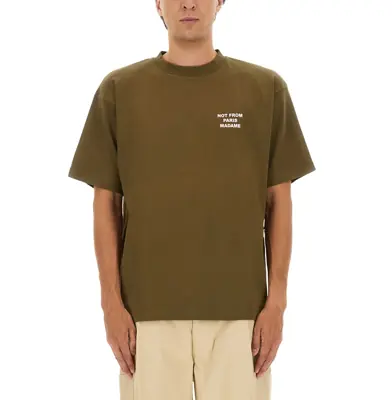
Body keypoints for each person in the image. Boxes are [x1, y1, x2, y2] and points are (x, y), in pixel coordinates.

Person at [67, 0, 316, 398]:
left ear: (220, 2)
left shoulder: (265, 89)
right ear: (157, 4)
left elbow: (280, 203)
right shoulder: (119, 91)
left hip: (241, 315)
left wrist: (277, 303)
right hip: (146, 314)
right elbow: (105, 205)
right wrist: (110, 304)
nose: (187, 3)